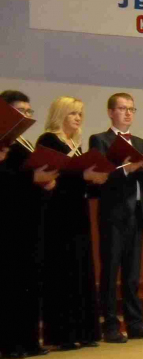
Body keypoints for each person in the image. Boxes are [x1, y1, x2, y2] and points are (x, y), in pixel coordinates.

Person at [88, 93, 143, 342]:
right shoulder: (100, 140)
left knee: (132, 274)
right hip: (113, 213)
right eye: (122, 108)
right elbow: (100, 177)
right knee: (111, 271)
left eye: (132, 109)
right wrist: (125, 170)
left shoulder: (141, 142)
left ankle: (135, 323)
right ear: (111, 112)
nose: (128, 113)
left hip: (137, 212)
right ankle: (110, 325)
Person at [37, 96, 108, 350]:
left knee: (81, 268)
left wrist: (95, 178)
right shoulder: (48, 140)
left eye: (80, 114)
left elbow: (77, 177)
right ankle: (63, 334)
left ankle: (84, 331)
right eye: (72, 113)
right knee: (63, 272)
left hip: (78, 211)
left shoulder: (76, 144)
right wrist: (83, 175)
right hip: (58, 214)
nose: (78, 118)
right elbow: (52, 176)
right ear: (60, 115)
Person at [0, 91, 58, 358]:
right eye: (20, 110)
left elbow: (26, 177)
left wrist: (47, 183)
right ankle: (10, 343)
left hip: (30, 220)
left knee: (30, 282)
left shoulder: (22, 142)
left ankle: (29, 340)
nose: (26, 115)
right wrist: (32, 179)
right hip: (8, 223)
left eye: (28, 111)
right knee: (11, 284)